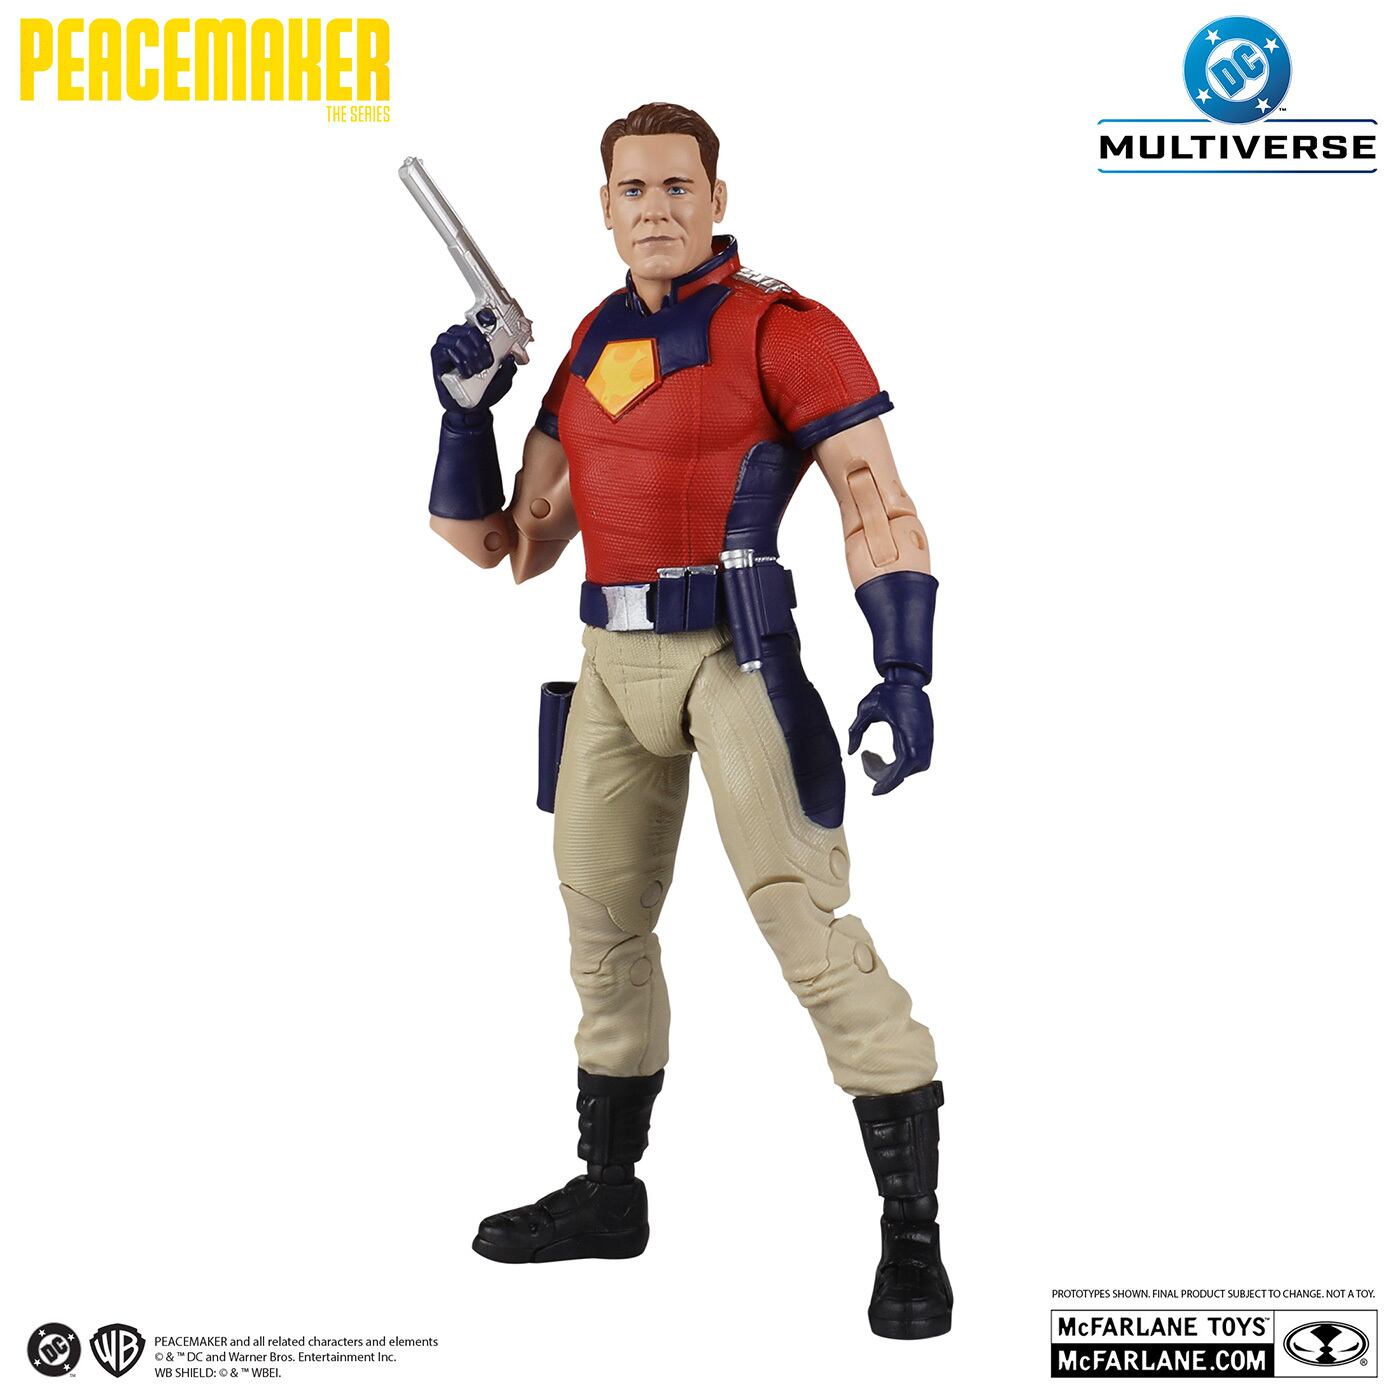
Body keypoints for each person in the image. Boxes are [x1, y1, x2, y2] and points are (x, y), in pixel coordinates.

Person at [424, 101, 951, 1340]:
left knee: (804, 926)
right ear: (603, 207)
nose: (654, 207)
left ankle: (911, 1231)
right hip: (609, 664)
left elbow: (872, 496)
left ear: (716, 198)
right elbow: (500, 545)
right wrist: (462, 412)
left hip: (735, 652)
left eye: (676, 186)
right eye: (632, 188)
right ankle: (609, 1193)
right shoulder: (591, 341)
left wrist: (904, 663)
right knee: (600, 925)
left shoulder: (784, 327)